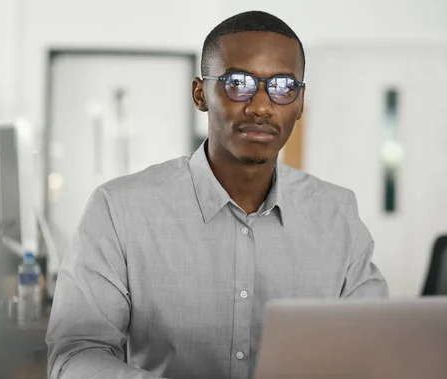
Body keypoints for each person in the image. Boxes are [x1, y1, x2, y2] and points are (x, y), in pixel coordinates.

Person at [46, 10, 389, 379]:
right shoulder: (119, 210)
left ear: (300, 103)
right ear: (200, 93)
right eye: (238, 83)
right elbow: (75, 354)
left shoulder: (337, 215)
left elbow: (374, 350)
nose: (260, 106)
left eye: (283, 86)